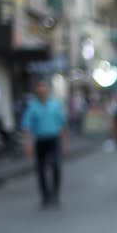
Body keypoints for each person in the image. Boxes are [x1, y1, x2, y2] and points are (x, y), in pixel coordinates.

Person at [21, 80, 68, 208]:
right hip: (41, 140)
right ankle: (45, 196)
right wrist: (28, 145)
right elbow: (26, 127)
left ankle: (55, 194)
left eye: (43, 88)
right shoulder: (32, 106)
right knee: (41, 169)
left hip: (54, 139)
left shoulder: (55, 105)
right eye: (39, 88)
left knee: (56, 166)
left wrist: (64, 144)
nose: (42, 90)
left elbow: (62, 124)